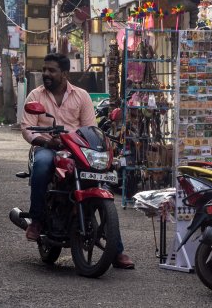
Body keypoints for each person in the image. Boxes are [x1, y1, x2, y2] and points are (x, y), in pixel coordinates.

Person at [21, 52, 135, 269]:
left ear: (64, 73)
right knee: (43, 165)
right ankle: (36, 220)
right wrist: (46, 141)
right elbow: (27, 129)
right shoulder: (35, 96)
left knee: (99, 182)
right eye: (45, 70)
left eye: (51, 70)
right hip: (47, 148)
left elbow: (90, 128)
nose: (46, 74)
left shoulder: (81, 96)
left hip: (76, 149)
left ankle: (116, 250)